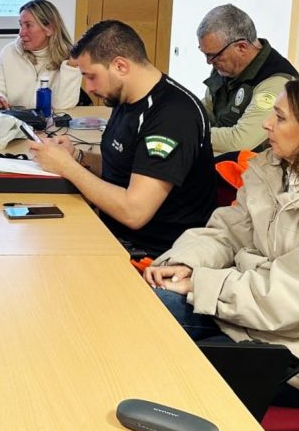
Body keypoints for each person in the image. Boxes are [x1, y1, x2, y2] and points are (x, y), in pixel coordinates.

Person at [145, 75, 299, 408]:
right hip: (254, 318)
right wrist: (186, 262)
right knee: (146, 309)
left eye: (280, 117)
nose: (266, 124)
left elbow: (297, 300)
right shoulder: (276, 168)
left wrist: (200, 284)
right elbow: (228, 232)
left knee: (163, 364)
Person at [29, 20, 216, 257]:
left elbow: (134, 212)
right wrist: (77, 156)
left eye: (91, 76)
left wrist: (67, 167)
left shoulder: (173, 116)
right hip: (115, 234)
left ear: (120, 66)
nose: (89, 87)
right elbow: (123, 167)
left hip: (155, 253)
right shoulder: (126, 98)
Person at [196, 4, 299, 154]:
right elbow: (207, 108)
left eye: (213, 55)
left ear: (242, 47)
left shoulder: (276, 82)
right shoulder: (225, 67)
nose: (208, 62)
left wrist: (188, 132)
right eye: (205, 54)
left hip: (258, 164)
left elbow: (241, 141)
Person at [0, 0, 82, 110]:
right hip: (14, 120)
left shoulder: (68, 58)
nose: (21, 33)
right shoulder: (9, 52)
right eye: (21, 25)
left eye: (28, 25)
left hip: (50, 121)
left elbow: (63, 105)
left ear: (49, 29)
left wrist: (71, 66)